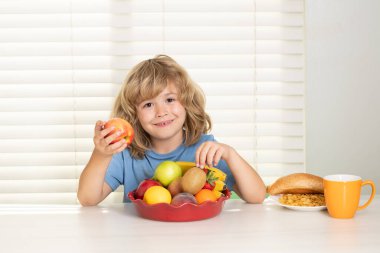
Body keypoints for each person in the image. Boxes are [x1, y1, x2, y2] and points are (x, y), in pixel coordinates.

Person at [77, 55, 266, 206]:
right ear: (133, 115)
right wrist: (101, 154)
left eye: (169, 100)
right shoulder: (127, 154)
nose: (161, 112)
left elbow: (257, 196)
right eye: (148, 104)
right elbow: (87, 199)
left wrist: (231, 155)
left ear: (187, 103)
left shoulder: (205, 150)